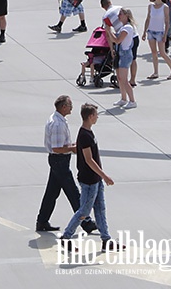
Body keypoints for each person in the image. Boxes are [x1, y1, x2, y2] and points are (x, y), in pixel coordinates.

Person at [59, 104, 124, 253]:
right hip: (89, 180)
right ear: (90, 116)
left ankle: (106, 240)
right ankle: (66, 236)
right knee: (84, 212)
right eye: (96, 114)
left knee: (100, 209)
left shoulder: (88, 132)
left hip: (95, 180)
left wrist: (100, 178)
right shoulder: (84, 135)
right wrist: (104, 175)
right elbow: (89, 160)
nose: (97, 117)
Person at [35, 95, 97, 234]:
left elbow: (59, 145)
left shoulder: (57, 119)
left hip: (58, 161)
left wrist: (70, 146)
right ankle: (86, 222)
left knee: (51, 193)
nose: (71, 107)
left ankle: (42, 221)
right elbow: (57, 148)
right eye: (69, 105)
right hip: (60, 161)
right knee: (73, 192)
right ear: (63, 107)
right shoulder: (57, 124)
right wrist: (72, 148)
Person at [100, 0, 137, 87]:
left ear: (102, 6)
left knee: (122, 61)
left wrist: (112, 49)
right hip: (134, 35)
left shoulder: (106, 16)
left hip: (122, 37)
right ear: (110, 2)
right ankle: (132, 80)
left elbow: (108, 35)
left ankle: (123, 82)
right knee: (133, 59)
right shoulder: (120, 7)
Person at [142, 0, 171, 80]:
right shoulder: (150, 6)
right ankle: (155, 72)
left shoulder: (165, 7)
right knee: (154, 53)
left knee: (162, 53)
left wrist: (166, 35)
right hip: (151, 31)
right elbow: (148, 19)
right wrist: (144, 32)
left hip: (160, 32)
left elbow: (167, 22)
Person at [108, 8, 138, 109]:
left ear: (126, 15)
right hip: (120, 54)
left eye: (120, 14)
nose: (118, 16)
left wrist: (109, 31)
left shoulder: (128, 28)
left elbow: (117, 40)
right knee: (120, 78)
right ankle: (123, 98)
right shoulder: (122, 28)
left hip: (125, 55)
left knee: (124, 80)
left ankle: (132, 100)